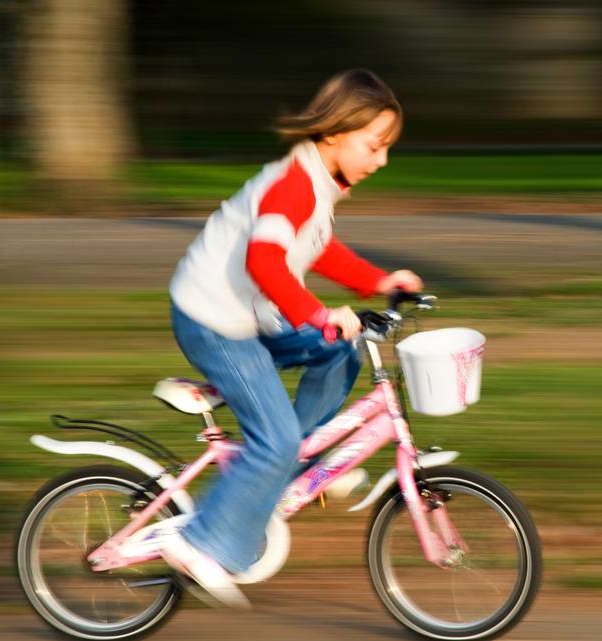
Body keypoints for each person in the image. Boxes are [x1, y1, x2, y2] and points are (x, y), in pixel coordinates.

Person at [159, 69, 422, 608]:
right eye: (375, 146)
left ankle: (293, 465)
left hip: (248, 316)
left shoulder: (319, 182)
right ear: (334, 134)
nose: (381, 160)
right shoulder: (292, 186)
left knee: (338, 352)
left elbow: (318, 248)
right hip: (214, 320)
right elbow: (264, 260)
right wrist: (320, 311)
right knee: (273, 436)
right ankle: (202, 543)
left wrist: (377, 281)